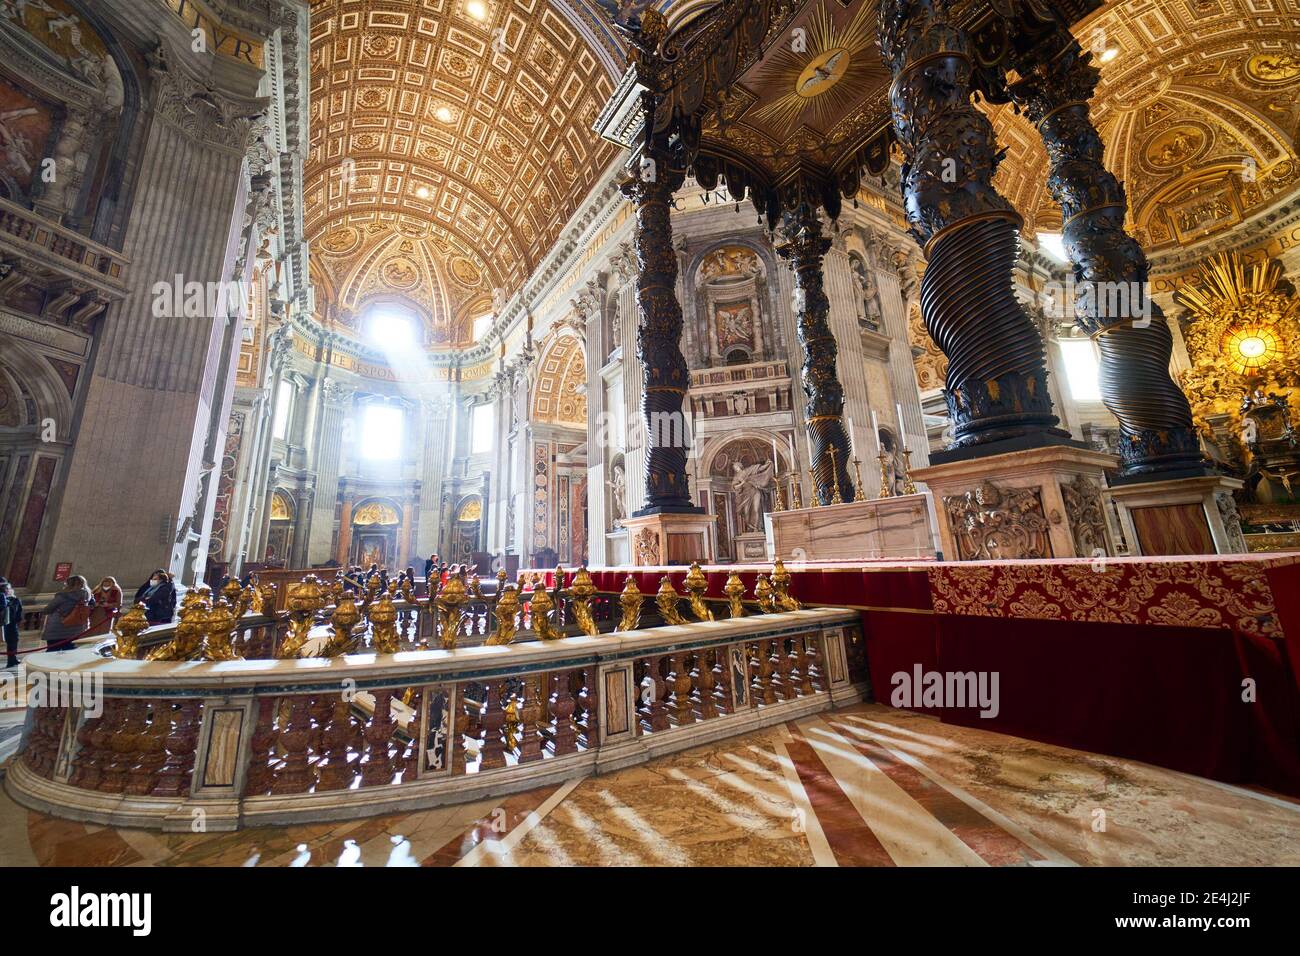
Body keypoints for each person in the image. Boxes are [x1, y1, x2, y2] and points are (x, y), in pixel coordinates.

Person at [41, 576, 95, 652]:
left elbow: (47, 610)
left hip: (58, 628)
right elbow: (92, 607)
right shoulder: (88, 597)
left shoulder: (62, 596)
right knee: (69, 652)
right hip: (76, 629)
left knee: (52, 652)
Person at [1, 577, 21, 668]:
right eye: (8, 588)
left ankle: (12, 659)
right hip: (7, 623)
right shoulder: (10, 600)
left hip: (10, 624)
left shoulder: (12, 599)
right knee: (12, 640)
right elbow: (14, 613)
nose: (10, 590)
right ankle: (12, 660)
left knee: (13, 641)